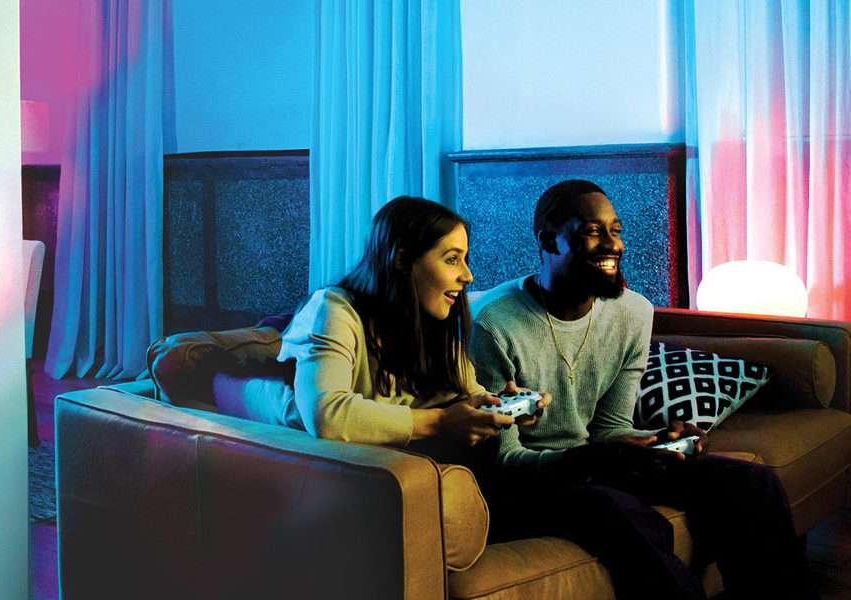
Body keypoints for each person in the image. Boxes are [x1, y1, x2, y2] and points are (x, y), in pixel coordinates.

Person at [470, 180, 815, 600]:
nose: (613, 245)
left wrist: (656, 442)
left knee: (752, 483)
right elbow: (504, 462)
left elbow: (611, 428)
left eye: (615, 230)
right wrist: (594, 457)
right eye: (592, 231)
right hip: (530, 484)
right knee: (628, 516)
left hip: (592, 461)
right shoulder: (493, 323)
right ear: (548, 241)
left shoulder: (632, 312)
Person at [275, 196, 548, 464]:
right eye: (452, 259)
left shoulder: (434, 321)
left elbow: (469, 393)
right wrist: (441, 421)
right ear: (402, 260)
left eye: (465, 259)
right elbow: (326, 415)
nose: (468, 276)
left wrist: (497, 406)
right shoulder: (334, 308)